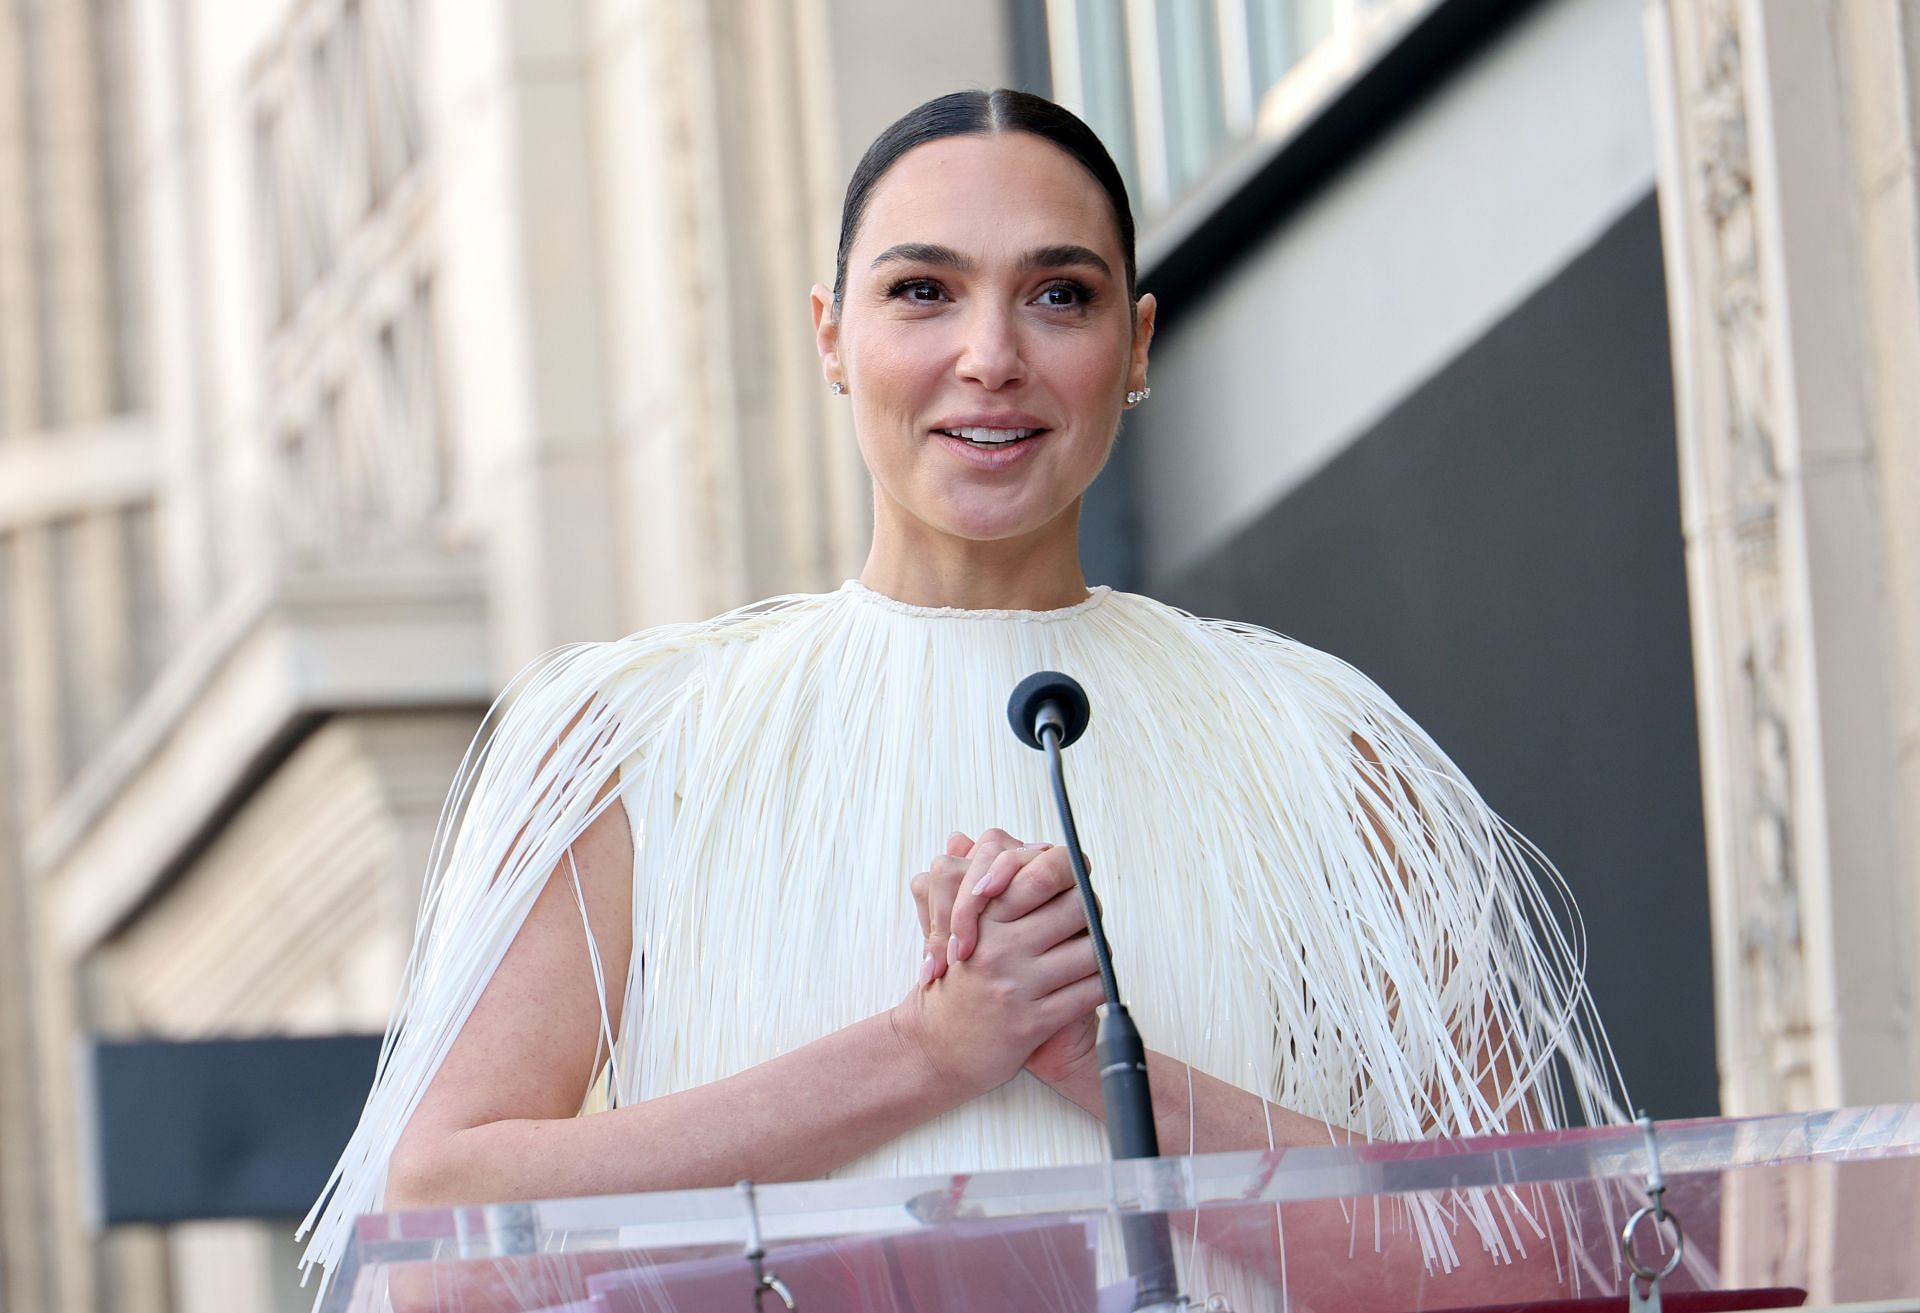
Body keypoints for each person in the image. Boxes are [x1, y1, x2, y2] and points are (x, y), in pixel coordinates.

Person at [299, 88, 1624, 1303]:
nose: (991, 354)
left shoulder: (1318, 748)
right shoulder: (644, 740)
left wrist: (1102, 1069)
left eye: (1059, 294)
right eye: (923, 291)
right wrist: (927, 1050)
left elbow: (1526, 1246)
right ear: (832, 336)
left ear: (1138, 342)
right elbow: (441, 1234)